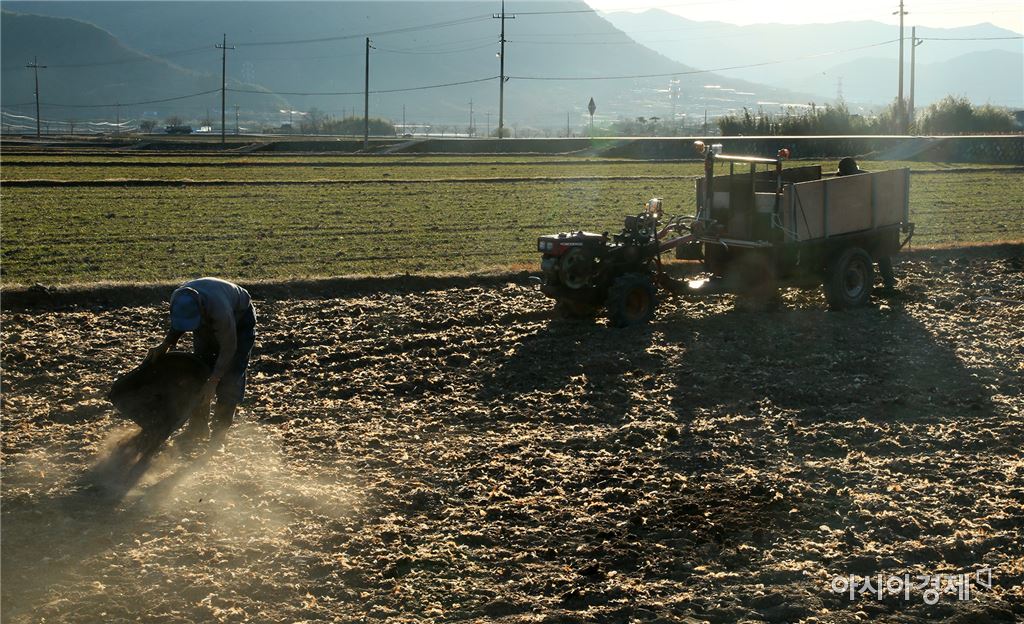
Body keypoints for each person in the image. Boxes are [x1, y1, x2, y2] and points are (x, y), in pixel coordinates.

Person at [147, 277, 256, 444]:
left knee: (230, 379)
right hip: (206, 317)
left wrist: (214, 381)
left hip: (239, 317)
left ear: (202, 310)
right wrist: (166, 344)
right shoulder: (178, 298)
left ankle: (218, 436)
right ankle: (197, 429)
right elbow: (179, 322)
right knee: (199, 372)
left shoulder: (220, 310)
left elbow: (229, 348)